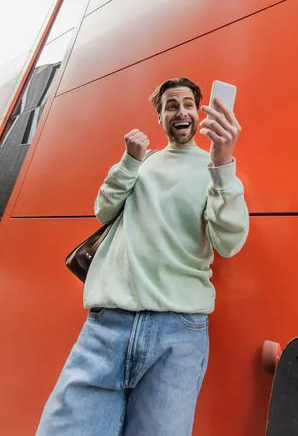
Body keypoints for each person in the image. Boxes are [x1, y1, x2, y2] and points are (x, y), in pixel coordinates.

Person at [36, 77, 249, 436]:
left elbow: (228, 242)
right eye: (170, 106)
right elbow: (104, 211)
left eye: (187, 104)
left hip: (178, 334)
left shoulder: (216, 169)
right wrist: (129, 162)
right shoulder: (142, 162)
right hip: (108, 327)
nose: (180, 111)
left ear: (198, 113)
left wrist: (222, 161)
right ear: (160, 117)